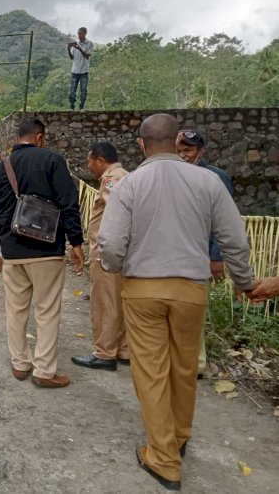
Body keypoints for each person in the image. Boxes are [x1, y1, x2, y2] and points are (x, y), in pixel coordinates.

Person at [97, 113, 254, 491]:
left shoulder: (130, 184)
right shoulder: (208, 181)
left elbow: (112, 243)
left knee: (150, 371)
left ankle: (163, 458)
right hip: (190, 289)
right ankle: (179, 437)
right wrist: (244, 281)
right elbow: (234, 237)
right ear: (176, 140)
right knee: (183, 369)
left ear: (141, 144)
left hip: (143, 289)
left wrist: (113, 266)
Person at [0, 118, 85, 389]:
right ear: (40, 137)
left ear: (18, 138)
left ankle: (19, 364)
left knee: (15, 310)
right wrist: (76, 242)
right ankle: (44, 370)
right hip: (46, 249)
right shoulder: (53, 161)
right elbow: (68, 203)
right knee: (47, 310)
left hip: (12, 251)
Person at [176, 129, 235, 378]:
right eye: (179, 151)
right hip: (174, 254)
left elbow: (225, 223)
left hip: (201, 257)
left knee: (194, 310)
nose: (183, 155)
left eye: (188, 150)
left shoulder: (216, 178)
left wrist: (217, 256)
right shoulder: (174, 175)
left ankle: (196, 364)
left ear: (201, 151)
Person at [71, 142, 129, 371]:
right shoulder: (127, 175)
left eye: (90, 161)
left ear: (100, 160)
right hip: (121, 252)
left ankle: (105, 352)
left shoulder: (111, 178)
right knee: (119, 303)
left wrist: (106, 249)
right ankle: (123, 349)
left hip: (107, 253)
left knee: (105, 303)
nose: (89, 166)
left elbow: (118, 212)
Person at [67, 27, 93, 111]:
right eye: (78, 34)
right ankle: (72, 107)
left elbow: (87, 56)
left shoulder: (89, 44)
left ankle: (82, 107)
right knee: (72, 91)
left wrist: (79, 48)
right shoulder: (75, 44)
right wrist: (68, 48)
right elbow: (71, 57)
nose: (79, 35)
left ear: (85, 33)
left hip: (84, 71)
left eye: (80, 33)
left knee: (83, 91)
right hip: (74, 71)